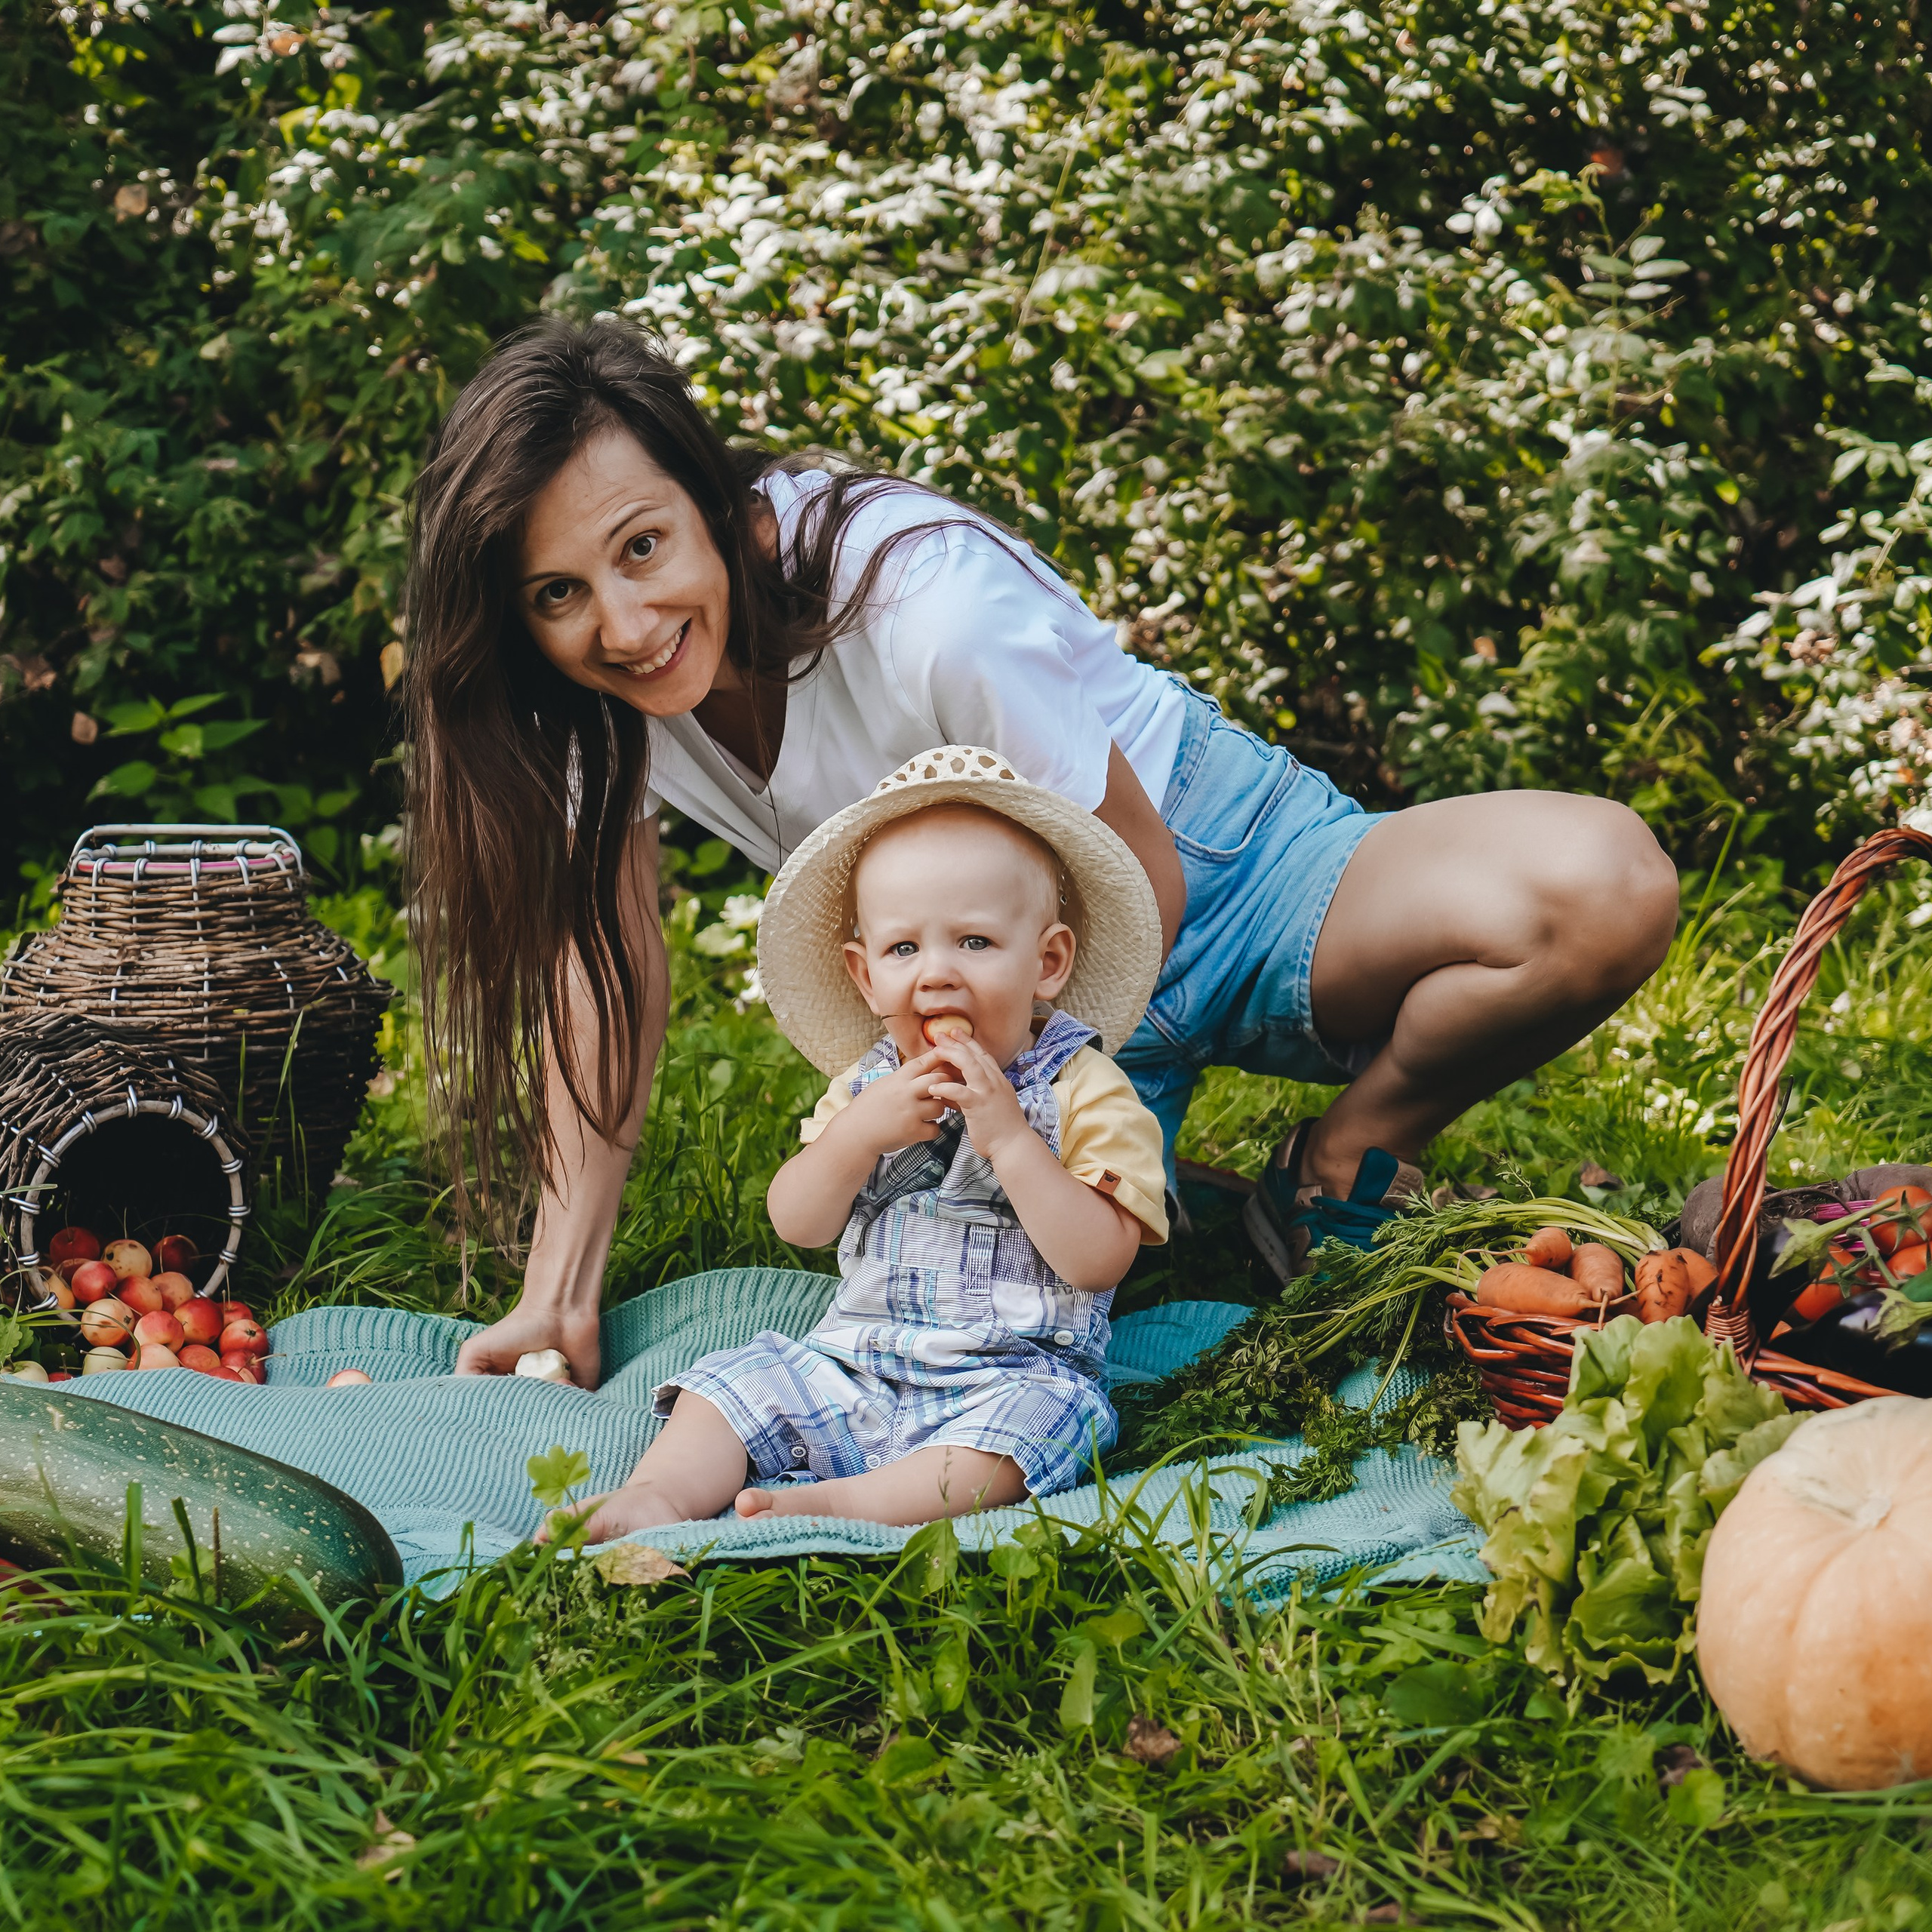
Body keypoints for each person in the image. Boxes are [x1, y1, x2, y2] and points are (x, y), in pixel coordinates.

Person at [404, 316, 1679, 1389]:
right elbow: (601, 976)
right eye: (558, 593)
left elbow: (1140, 868)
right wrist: (556, 1293)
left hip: (1201, 864)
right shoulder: (577, 708)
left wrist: (1063, 1120)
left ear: (718, 507)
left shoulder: (927, 604)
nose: (625, 627)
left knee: (1600, 887)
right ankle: (1195, 1188)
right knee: (981, 1326)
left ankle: (1344, 1155)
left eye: (643, 547)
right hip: (993, 978)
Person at [549, 751, 1168, 1538]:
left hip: (1009, 1376)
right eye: (904, 949)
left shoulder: (1085, 1088)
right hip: (854, 1364)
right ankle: (657, 1496)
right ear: (866, 975)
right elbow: (797, 1221)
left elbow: (1100, 1258)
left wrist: (1011, 1140)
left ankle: (838, 1505)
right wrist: (856, 1138)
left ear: (1047, 961)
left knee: (1037, 1431)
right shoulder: (863, 1088)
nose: (937, 974)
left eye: (975, 942)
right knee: (732, 1386)